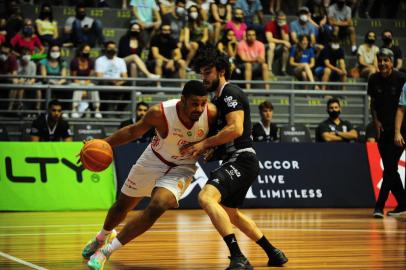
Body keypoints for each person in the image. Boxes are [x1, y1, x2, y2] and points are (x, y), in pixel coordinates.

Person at [83, 80, 217, 270]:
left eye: (203, 103)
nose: (200, 108)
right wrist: (101, 145)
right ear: (183, 100)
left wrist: (211, 148)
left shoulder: (210, 114)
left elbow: (223, 135)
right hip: (154, 159)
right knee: (122, 206)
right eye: (195, 103)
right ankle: (102, 237)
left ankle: (105, 251)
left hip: (182, 167)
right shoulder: (160, 113)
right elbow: (132, 131)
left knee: (158, 205)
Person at [182, 47, 288, 269]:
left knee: (206, 198)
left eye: (207, 72)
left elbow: (236, 129)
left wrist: (204, 144)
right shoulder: (218, 98)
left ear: (221, 71)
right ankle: (274, 252)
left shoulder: (230, 93)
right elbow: (227, 136)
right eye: (201, 73)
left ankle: (238, 256)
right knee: (231, 214)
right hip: (237, 160)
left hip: (242, 159)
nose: (204, 78)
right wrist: (215, 150)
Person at [368, 48, 406, 218]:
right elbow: (373, 105)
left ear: (392, 62)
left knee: (389, 168)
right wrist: (376, 123)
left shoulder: (401, 78)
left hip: (401, 131)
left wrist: (399, 131)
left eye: (386, 60)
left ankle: (379, 206)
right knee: (391, 168)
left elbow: (402, 107)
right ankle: (403, 204)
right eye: (380, 60)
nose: (383, 64)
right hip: (383, 130)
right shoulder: (373, 79)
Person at [264, 10, 291, 76]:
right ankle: (269, 69)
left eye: (283, 19)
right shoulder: (270, 24)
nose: (281, 21)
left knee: (286, 47)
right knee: (272, 45)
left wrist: (282, 29)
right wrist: (283, 42)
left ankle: (283, 69)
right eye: (280, 19)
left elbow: (287, 40)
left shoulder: (285, 26)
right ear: (276, 18)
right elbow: (269, 39)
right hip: (267, 44)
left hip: (279, 44)